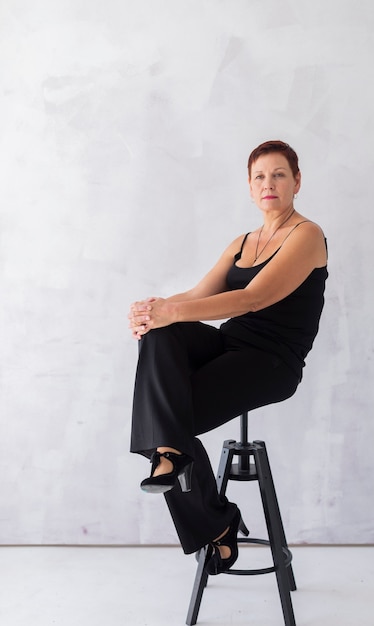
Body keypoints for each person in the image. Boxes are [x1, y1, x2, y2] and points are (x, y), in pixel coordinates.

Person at [128, 140, 328, 575]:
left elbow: (253, 298)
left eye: (278, 174)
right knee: (161, 335)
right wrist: (151, 311)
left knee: (169, 418)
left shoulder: (307, 235)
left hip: (272, 361)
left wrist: (172, 312)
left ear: (296, 182)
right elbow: (198, 296)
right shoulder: (243, 241)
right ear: (250, 188)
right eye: (259, 176)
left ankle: (214, 519)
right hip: (231, 344)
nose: (268, 183)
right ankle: (176, 462)